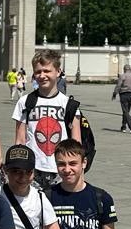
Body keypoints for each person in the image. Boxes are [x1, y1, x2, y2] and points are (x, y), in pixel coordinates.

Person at [12, 50, 82, 190]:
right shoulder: (25, 102)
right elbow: (20, 140)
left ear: (58, 72)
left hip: (61, 170)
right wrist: (19, 168)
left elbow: (77, 144)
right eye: (38, 72)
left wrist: (79, 178)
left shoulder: (69, 105)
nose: (42, 75)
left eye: (47, 71)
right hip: (32, 169)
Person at [112, 64, 131, 134]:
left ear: (124, 69)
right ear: (130, 69)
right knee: (126, 111)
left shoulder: (122, 76)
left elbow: (118, 85)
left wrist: (114, 93)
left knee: (125, 111)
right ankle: (123, 127)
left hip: (123, 94)